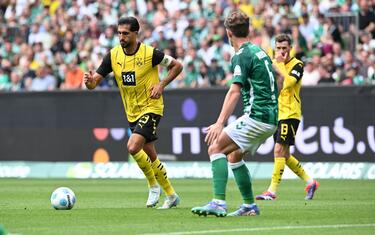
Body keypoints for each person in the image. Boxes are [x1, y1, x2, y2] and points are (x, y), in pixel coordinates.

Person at [83, 16, 183, 209]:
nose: (121, 37)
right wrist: (89, 82)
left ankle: (153, 186)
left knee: (132, 146)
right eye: (119, 33)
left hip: (152, 107)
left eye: (125, 33)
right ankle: (171, 194)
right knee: (151, 155)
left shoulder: (150, 54)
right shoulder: (113, 56)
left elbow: (177, 66)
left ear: (136, 34)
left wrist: (161, 85)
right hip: (132, 113)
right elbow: (94, 82)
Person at [191, 10, 278, 217]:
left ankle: (218, 202)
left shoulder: (241, 55)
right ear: (247, 30)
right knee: (234, 154)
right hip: (271, 117)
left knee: (215, 147)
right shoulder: (260, 51)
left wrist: (220, 122)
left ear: (228, 33)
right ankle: (249, 206)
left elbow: (234, 90)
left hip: (257, 116)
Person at [256, 34, 319, 201]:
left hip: (290, 113)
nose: (282, 51)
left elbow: (288, 83)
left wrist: (280, 64)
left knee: (278, 150)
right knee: (284, 154)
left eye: (285, 48)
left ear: (290, 48)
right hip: (277, 113)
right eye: (279, 48)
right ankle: (310, 182)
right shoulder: (273, 64)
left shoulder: (297, 65)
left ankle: (272, 190)